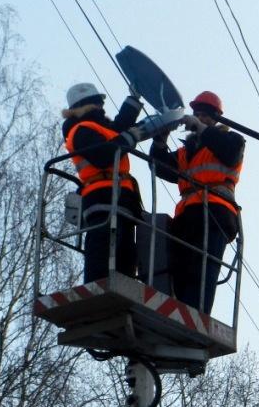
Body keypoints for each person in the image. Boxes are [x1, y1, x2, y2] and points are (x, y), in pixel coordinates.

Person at [149, 91, 244, 314]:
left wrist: (202, 129)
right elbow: (160, 166)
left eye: (203, 115)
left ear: (214, 118)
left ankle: (196, 314)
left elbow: (230, 153)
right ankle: (181, 312)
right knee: (181, 269)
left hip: (215, 213)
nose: (198, 119)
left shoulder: (231, 140)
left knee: (202, 270)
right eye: (197, 115)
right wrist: (160, 140)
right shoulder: (187, 151)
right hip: (188, 216)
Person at [62, 82, 147, 282]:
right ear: (86, 106)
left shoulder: (101, 128)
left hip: (121, 197)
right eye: (97, 103)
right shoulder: (81, 130)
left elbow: (120, 126)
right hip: (102, 197)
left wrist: (133, 100)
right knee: (102, 249)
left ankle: (123, 285)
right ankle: (98, 286)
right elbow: (103, 155)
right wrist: (128, 138)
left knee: (125, 252)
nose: (102, 107)